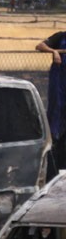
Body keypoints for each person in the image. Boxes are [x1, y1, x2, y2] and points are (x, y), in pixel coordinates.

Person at [37, 32, 66, 177]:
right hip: (60, 85)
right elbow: (40, 46)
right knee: (56, 116)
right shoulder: (61, 37)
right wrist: (54, 51)